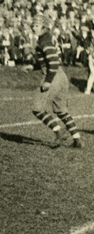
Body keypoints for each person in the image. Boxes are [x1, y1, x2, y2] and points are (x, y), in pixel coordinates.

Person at [29, 18, 82, 148]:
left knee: (37, 107)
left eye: (37, 25)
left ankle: (59, 132)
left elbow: (53, 62)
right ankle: (77, 140)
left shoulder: (44, 40)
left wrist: (48, 81)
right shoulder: (48, 38)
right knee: (61, 110)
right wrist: (34, 67)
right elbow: (52, 60)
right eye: (33, 25)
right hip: (61, 75)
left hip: (53, 76)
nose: (33, 28)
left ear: (44, 27)